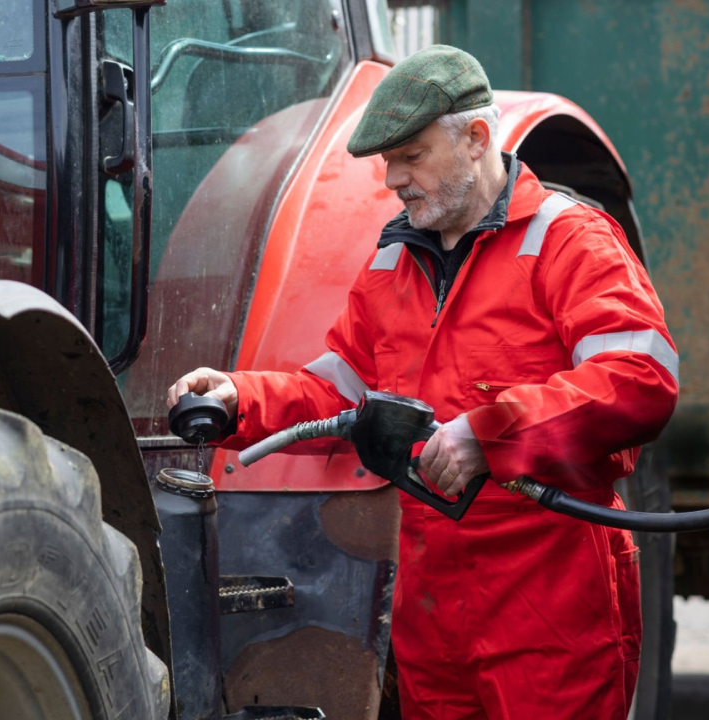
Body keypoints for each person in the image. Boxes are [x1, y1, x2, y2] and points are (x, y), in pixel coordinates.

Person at [167, 45, 677, 719]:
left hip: (550, 612)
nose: (392, 179)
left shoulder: (569, 241)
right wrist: (239, 397)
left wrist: (490, 433)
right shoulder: (392, 266)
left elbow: (640, 378)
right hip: (433, 621)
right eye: (387, 161)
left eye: (410, 156)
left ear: (476, 137)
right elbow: (337, 396)